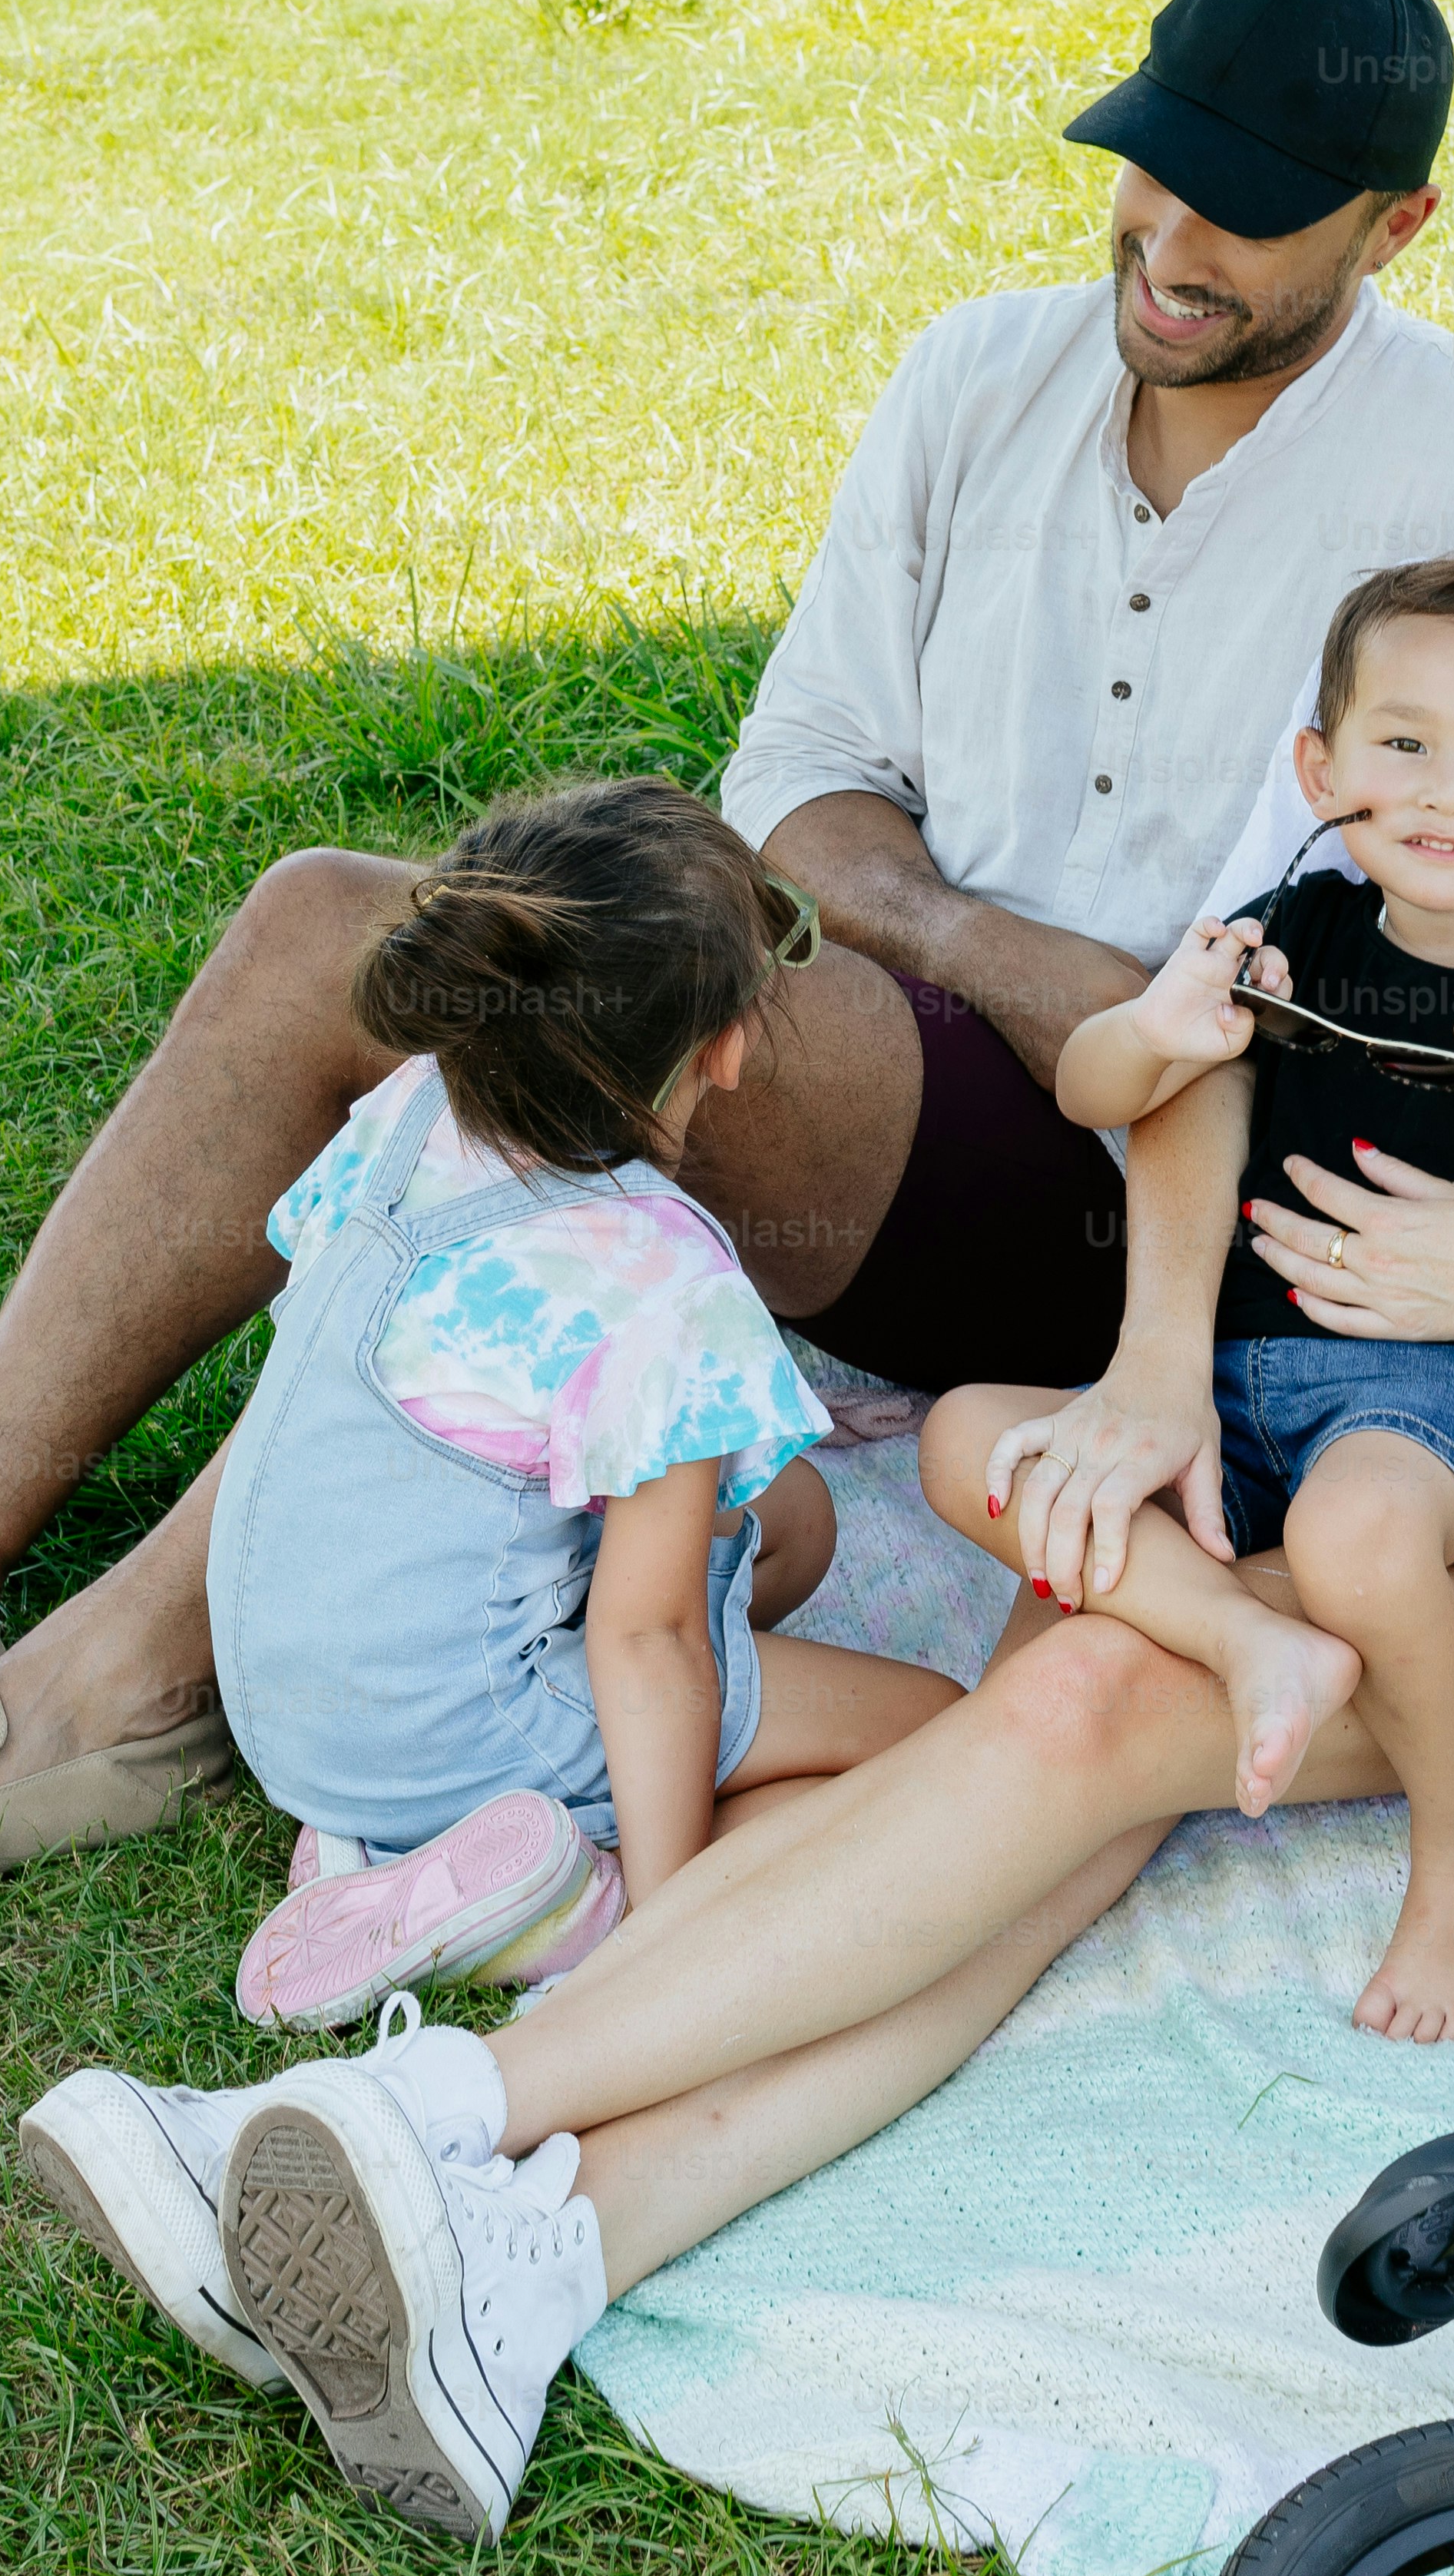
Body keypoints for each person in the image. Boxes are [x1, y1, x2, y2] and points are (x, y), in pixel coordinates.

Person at [18, 94, 1454, 2548]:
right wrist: (1157, 1366)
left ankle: (424, 2123)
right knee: (1089, 1726)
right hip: (1320, 1349)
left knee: (1101, 1697)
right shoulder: (1422, 679)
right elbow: (1190, 1055)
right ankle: (535, 2266)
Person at [0, 0, 1454, 1895]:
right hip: (935, 1038)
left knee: (515, 1035)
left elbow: (1434, 907)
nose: (1164, 237)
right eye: (1147, 170)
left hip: (1160, 1185)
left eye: (1241, 207)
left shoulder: (1448, 480)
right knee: (335, 926)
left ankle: (128, 1682)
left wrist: (1085, 1002)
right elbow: (797, 779)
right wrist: (975, 942)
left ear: (1392, 230)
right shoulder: (984, 377)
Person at [939, 546, 1454, 2041]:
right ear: (1320, 765)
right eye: (1403, 743)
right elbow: (1102, 1087)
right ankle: (1235, 1636)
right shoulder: (1288, 937)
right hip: (1222, 1377)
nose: (1446, 791)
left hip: (1436, 1382)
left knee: (1354, 1538)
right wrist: (1155, 1026)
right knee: (971, 1435)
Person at [192, 779, 965, 2035]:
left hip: (294, 1707)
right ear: (728, 1044)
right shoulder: (660, 1277)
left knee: (795, 1514)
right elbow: (647, 1640)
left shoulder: (410, 1111)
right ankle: (581, 1906)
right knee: (938, 1746)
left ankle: (376, 1854)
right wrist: (673, 1934)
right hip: (464, 1718)